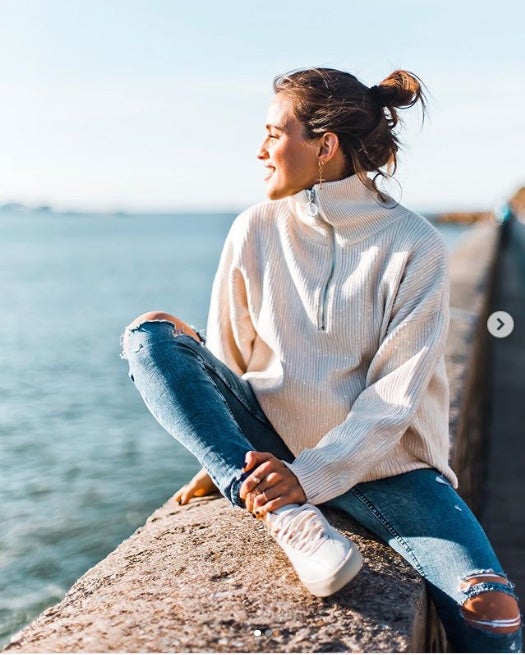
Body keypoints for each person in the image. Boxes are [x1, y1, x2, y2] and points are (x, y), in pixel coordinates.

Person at [121, 67, 522, 652]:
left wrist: (306, 476)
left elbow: (394, 396)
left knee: (494, 612)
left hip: (390, 468)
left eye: (273, 134)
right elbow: (229, 358)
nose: (259, 151)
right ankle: (284, 517)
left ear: (324, 145)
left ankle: (286, 497)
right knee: (150, 335)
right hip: (274, 444)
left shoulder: (415, 245)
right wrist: (223, 459)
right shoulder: (253, 229)